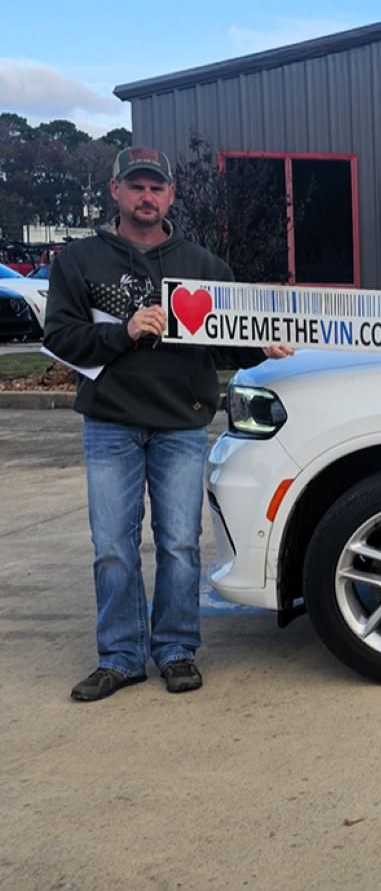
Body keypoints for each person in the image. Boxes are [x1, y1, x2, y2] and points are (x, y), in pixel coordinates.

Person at [43, 146, 295, 701]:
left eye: (156, 187)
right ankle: (121, 657)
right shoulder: (79, 263)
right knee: (112, 545)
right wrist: (124, 331)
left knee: (180, 543)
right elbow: (60, 338)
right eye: (136, 186)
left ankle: (177, 649)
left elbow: (228, 342)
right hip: (110, 424)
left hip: (181, 424)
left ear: (171, 194)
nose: (146, 196)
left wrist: (263, 347)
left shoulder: (204, 267)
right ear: (115, 192)